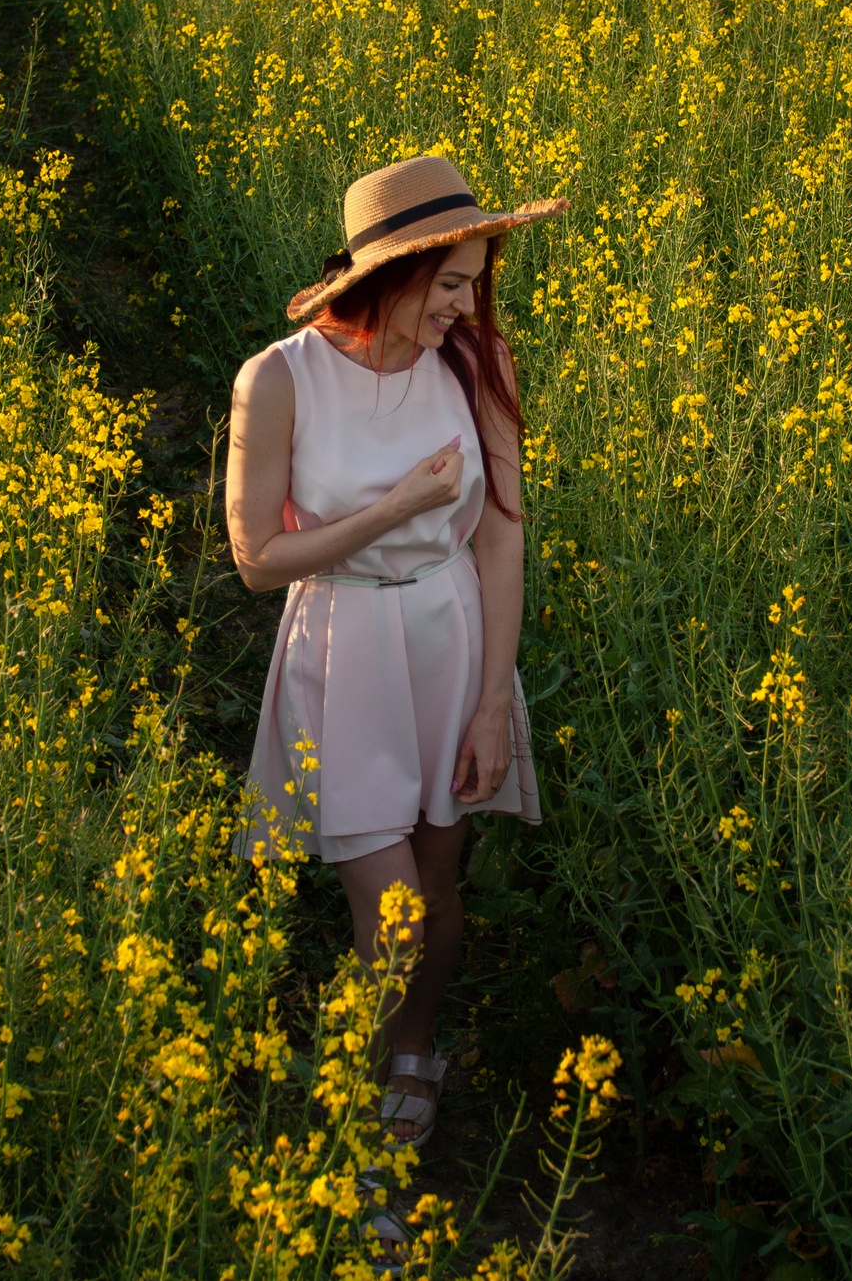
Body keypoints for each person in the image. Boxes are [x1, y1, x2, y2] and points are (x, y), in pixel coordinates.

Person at [227, 153, 565, 1156]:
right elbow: (256, 560)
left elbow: (500, 538)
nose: (465, 306)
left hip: (451, 641)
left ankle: (413, 1047)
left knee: (438, 887)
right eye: (450, 283)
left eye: (473, 283)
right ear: (391, 274)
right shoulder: (279, 378)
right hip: (345, 649)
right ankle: (351, 1119)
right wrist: (396, 508)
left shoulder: (476, 360)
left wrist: (494, 704)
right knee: (395, 912)